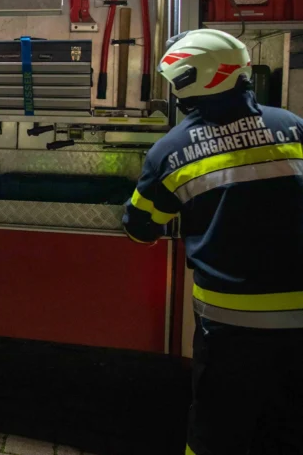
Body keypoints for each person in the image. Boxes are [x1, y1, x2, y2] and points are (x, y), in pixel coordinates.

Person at [123, 29, 303, 455]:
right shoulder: (293, 127)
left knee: (218, 432)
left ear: (191, 82)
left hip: (230, 328)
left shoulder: (171, 151)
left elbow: (139, 227)